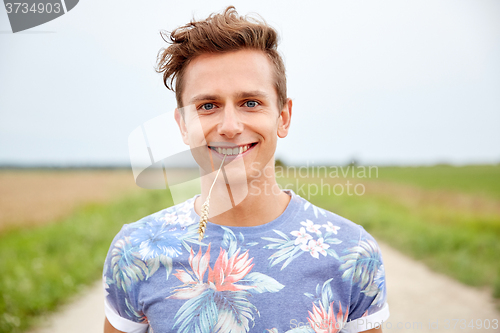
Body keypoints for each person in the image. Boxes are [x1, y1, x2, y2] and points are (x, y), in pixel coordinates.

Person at [103, 6, 389, 333]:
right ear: (183, 125)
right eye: (207, 106)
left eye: (250, 103)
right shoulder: (135, 251)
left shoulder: (352, 252)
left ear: (283, 116)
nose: (229, 126)